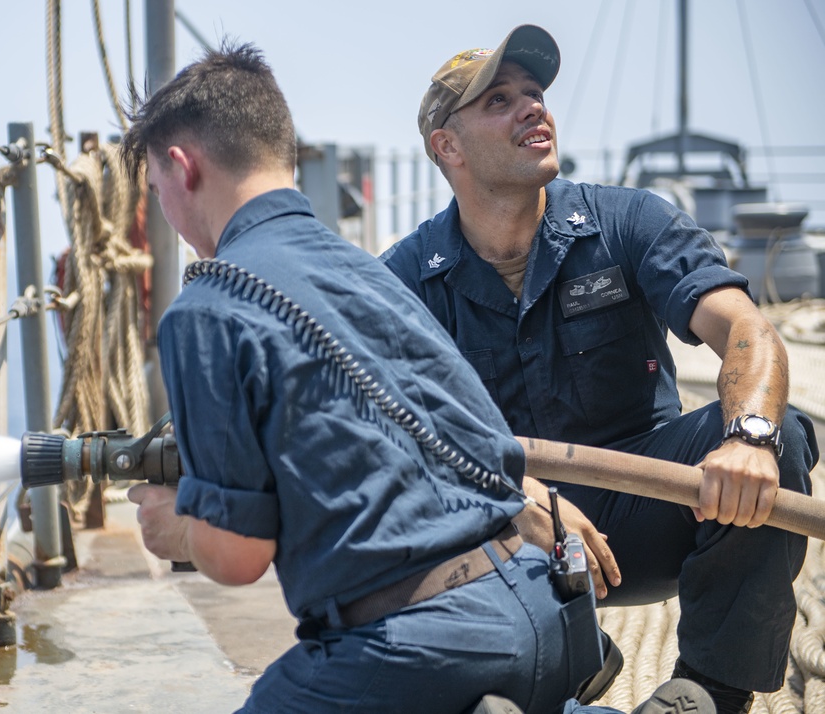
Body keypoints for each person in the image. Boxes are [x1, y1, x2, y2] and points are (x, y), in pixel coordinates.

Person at [118, 39, 712, 714]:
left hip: (424, 646)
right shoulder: (374, 276)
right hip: (546, 615)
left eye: (154, 191)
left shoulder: (210, 307)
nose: (162, 209)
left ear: (180, 167)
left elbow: (238, 556)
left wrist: (180, 529)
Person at [381, 24, 819, 714]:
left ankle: (705, 693)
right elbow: (363, 423)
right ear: (447, 146)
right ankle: (545, 660)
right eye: (500, 100)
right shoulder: (403, 280)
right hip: (504, 532)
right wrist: (501, 495)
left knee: (784, 434)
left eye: (534, 94)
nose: (533, 107)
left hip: (645, 511)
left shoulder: (629, 222)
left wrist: (750, 437)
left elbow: (744, 328)